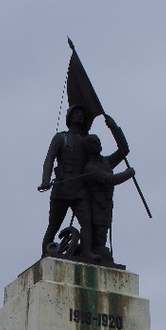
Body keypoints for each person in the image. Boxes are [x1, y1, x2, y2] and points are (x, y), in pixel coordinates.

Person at [38, 104, 96, 260]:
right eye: (76, 113)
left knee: (87, 222)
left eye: (82, 113)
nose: (80, 115)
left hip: (79, 188)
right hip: (62, 185)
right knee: (54, 225)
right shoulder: (60, 137)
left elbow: (98, 161)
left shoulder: (86, 141)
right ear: (69, 117)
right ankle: (46, 253)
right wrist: (45, 180)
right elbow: (49, 159)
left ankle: (86, 252)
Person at [83, 117, 134, 265]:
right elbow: (110, 179)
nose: (98, 144)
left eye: (98, 141)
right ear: (88, 148)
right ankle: (92, 253)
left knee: (102, 234)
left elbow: (124, 150)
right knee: (97, 237)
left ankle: (99, 254)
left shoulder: (105, 161)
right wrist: (128, 174)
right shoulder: (90, 167)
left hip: (106, 204)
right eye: (94, 143)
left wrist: (114, 128)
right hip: (95, 205)